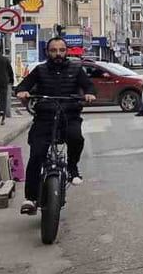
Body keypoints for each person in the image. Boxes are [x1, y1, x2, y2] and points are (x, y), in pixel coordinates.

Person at [14, 37, 96, 214]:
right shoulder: (40, 70)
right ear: (47, 52)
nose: (58, 54)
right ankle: (30, 198)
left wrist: (89, 94)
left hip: (69, 115)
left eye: (61, 50)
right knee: (36, 155)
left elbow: (89, 86)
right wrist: (22, 91)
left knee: (76, 138)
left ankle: (73, 168)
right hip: (45, 117)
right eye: (53, 50)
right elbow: (22, 85)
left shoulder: (76, 69)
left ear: (66, 51)